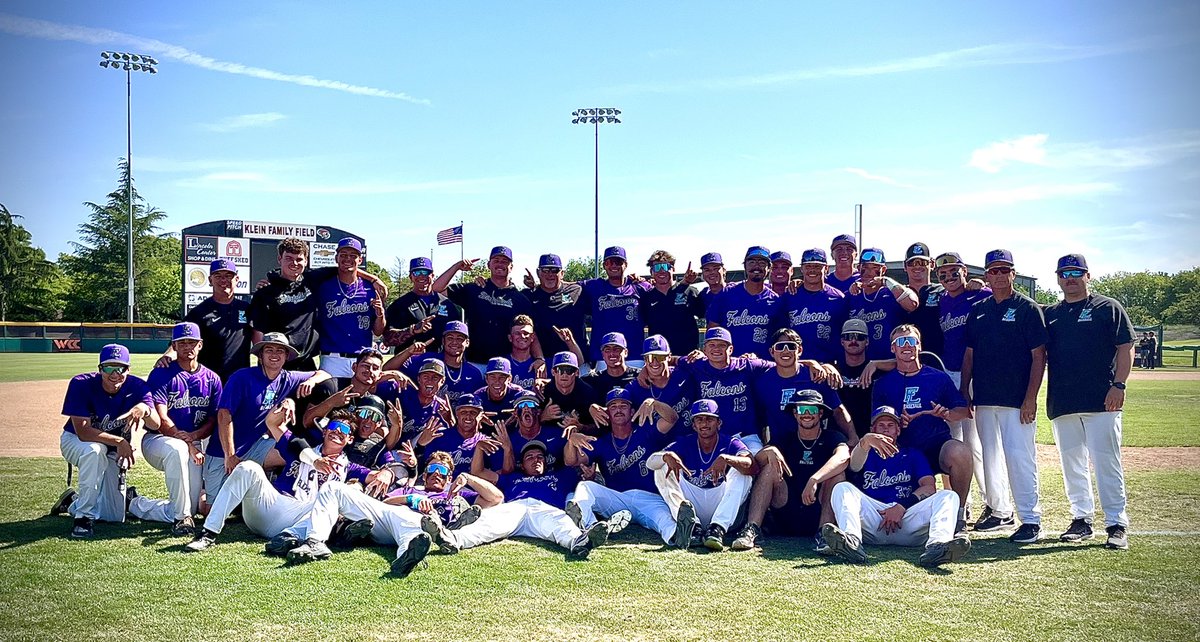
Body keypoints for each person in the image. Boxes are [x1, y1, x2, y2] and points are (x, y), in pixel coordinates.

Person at [184, 400, 395, 553]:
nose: (336, 432)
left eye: (343, 431)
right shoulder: (301, 448)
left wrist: (387, 472)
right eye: (333, 427)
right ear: (324, 431)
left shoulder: (349, 467)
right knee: (248, 467)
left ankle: (305, 539)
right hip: (271, 506)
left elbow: (375, 476)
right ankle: (208, 534)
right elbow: (273, 423)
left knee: (342, 494)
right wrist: (287, 403)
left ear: (350, 440)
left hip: (301, 518)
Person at [1044, 253, 1133, 550]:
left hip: (1102, 400)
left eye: (1076, 272)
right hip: (1064, 401)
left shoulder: (1108, 307)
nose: (1070, 278)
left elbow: (1125, 347)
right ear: (1058, 278)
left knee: (1107, 463)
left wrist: (1119, 385)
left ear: (1087, 275)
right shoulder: (1052, 314)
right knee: (1073, 465)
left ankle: (1116, 523)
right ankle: (1081, 519)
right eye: (1064, 273)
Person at [960, 249, 1047, 543]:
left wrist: (1031, 398)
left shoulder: (1027, 308)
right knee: (990, 457)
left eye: (1004, 270)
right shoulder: (980, 310)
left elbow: (1039, 356)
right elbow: (970, 354)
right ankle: (999, 511)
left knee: (1020, 457)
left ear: (1013, 273)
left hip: (1016, 399)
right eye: (993, 271)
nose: (998, 275)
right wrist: (965, 389)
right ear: (986, 275)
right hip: (985, 396)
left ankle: (1031, 519)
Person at [425, 440, 632, 559]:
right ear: (521, 465)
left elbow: (583, 465)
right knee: (487, 524)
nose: (536, 460)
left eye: (540, 457)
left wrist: (590, 474)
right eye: (530, 458)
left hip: (544, 509)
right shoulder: (511, 478)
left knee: (561, 524)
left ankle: (580, 542)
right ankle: (451, 540)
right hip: (514, 508)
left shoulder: (561, 474)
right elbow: (480, 472)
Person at [823, 406, 972, 567]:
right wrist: (865, 441)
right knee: (842, 488)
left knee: (949, 496)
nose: (886, 429)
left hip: (907, 518)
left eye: (890, 425)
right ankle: (851, 541)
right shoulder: (865, 454)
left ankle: (937, 547)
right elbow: (854, 465)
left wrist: (901, 507)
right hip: (875, 519)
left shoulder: (912, 454)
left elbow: (929, 487)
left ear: (898, 430)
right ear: (873, 429)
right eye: (881, 425)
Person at [204, 333, 331, 500]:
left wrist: (310, 383)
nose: (274, 354)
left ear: (286, 356)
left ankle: (283, 489)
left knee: (294, 453)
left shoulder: (288, 377)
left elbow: (324, 374)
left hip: (257, 446)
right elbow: (224, 415)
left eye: (280, 351)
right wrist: (230, 455)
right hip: (223, 451)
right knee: (210, 508)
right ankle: (202, 493)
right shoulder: (242, 378)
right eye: (269, 350)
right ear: (260, 356)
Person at [871, 325, 974, 529]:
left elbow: (963, 411)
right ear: (893, 349)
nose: (906, 346)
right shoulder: (883, 383)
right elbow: (876, 422)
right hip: (903, 451)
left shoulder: (938, 377)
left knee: (960, 452)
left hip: (935, 444)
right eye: (900, 342)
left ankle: (959, 513)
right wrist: (898, 423)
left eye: (911, 341)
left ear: (919, 345)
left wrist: (945, 413)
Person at [53, 344, 157, 538]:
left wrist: (145, 409)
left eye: (121, 368)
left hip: (112, 447)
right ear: (100, 368)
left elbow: (155, 423)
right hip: (77, 442)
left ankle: (72, 502)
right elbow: (83, 432)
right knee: (95, 450)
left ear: (128, 369)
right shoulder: (81, 384)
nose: (115, 374)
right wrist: (120, 442)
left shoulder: (137, 386)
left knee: (113, 516)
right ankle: (83, 518)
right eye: (109, 367)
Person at [733, 390, 849, 552]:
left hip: (819, 507)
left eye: (813, 410)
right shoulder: (784, 438)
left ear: (821, 413)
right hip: (786, 507)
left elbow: (843, 458)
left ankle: (825, 534)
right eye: (802, 410)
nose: (807, 414)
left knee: (838, 474)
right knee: (769, 467)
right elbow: (755, 465)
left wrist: (814, 479)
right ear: (795, 414)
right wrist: (768, 452)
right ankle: (752, 529)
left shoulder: (833, 437)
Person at [248, 237, 383, 371]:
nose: (294, 263)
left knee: (322, 390)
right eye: (288, 258)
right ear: (279, 259)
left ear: (306, 261)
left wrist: (374, 279)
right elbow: (258, 329)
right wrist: (263, 361)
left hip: (305, 361)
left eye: (299, 259)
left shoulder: (312, 279)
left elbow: (346, 267)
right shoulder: (265, 292)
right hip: (277, 361)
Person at [566, 388, 680, 544]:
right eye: (613, 406)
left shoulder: (645, 431)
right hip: (618, 499)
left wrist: (654, 403)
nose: (618, 409)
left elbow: (672, 418)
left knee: (664, 520)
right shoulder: (602, 442)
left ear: (632, 411)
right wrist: (571, 439)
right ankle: (591, 528)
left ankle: (678, 536)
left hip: (649, 498)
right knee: (586, 487)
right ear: (607, 413)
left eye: (623, 406)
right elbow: (571, 461)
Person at [141, 322, 222, 533]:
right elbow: (161, 417)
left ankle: (135, 504)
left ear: (200, 345)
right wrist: (187, 442)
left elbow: (213, 419)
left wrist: (194, 437)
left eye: (192, 342)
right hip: (158, 440)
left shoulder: (212, 379)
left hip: (193, 441)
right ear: (174, 346)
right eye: (182, 343)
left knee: (193, 506)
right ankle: (181, 519)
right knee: (178, 450)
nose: (188, 347)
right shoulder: (161, 374)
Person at [934, 252, 995, 527]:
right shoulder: (943, 299)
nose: (948, 277)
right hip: (948, 372)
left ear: (964, 271)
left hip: (973, 374)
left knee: (977, 443)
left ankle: (992, 502)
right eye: (942, 274)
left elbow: (1002, 295)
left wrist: (982, 284)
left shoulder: (980, 293)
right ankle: (960, 503)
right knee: (951, 441)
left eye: (953, 271)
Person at [648, 399, 755, 551]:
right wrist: (666, 456)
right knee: (661, 467)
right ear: (693, 425)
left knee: (742, 472)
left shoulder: (730, 442)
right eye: (699, 419)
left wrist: (727, 459)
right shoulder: (685, 442)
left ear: (719, 423)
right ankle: (692, 528)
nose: (704, 423)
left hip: (722, 507)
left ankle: (717, 529)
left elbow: (752, 466)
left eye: (709, 419)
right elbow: (650, 463)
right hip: (693, 505)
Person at [665, 327, 772, 450]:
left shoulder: (747, 365)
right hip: (712, 438)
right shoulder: (696, 364)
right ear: (704, 349)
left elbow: (782, 365)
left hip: (745, 436)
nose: (716, 349)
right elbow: (670, 359)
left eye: (722, 345)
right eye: (712, 345)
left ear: (731, 349)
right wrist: (645, 371)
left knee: (761, 460)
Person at [433, 246, 535, 369]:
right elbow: (436, 288)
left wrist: (539, 358)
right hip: (473, 362)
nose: (500, 264)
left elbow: (531, 333)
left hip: (505, 365)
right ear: (488, 265)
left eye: (504, 262)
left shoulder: (520, 299)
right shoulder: (474, 289)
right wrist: (456, 267)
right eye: (496, 260)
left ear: (511, 267)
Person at [165, 258, 251, 381]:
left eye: (228, 276)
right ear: (210, 280)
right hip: (208, 381)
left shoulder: (247, 309)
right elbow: (181, 340)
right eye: (218, 276)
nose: (223, 280)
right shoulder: (199, 312)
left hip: (239, 380)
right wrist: (167, 355)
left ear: (236, 279)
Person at [314, 238, 386, 379]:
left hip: (363, 359)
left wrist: (380, 315)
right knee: (330, 397)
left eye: (353, 256)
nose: (348, 259)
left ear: (360, 260)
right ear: (336, 258)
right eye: (343, 255)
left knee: (363, 401)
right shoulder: (323, 286)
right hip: (332, 358)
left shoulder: (371, 289)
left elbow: (378, 331)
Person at [705, 246, 781, 359]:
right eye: (752, 262)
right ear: (745, 266)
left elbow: (779, 337)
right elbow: (712, 330)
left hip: (763, 364)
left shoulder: (775, 300)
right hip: (730, 364)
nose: (756, 266)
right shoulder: (726, 294)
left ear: (769, 268)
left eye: (762, 263)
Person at [580, 246, 651, 366]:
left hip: (634, 354)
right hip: (604, 355)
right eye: (609, 262)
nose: (614, 265)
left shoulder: (639, 286)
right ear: (604, 265)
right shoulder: (595, 286)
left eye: (618, 262)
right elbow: (565, 286)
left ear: (626, 264)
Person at [845, 248, 919, 361]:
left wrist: (886, 281)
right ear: (858, 268)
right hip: (861, 362)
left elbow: (912, 304)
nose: (869, 273)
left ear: (883, 270)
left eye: (875, 268)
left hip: (891, 361)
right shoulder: (851, 296)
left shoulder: (892, 292)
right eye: (865, 268)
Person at [778, 248, 847, 364]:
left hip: (828, 363)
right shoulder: (789, 296)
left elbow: (843, 335)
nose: (812, 270)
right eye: (808, 266)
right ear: (802, 269)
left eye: (817, 266)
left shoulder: (838, 298)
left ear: (826, 269)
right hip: (796, 363)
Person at [383, 257, 463, 354]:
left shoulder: (446, 304)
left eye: (425, 272)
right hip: (408, 363)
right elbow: (387, 340)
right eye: (416, 273)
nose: (421, 276)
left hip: (439, 363)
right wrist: (412, 330)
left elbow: (459, 336)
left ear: (432, 275)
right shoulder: (399, 305)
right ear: (410, 277)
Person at [393, 321, 485, 404]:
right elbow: (387, 368)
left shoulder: (474, 373)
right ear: (443, 341)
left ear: (467, 342)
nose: (454, 342)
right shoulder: (427, 360)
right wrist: (408, 352)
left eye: (460, 339)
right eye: (450, 338)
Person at [523, 253, 589, 361]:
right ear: (538, 273)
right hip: (543, 362)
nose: (550, 274)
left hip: (577, 360)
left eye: (555, 270)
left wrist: (627, 282)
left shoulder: (577, 290)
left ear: (562, 273)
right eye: (545, 270)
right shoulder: (528, 295)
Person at [639, 250, 705, 356]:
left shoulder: (689, 291)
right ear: (651, 272)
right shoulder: (646, 299)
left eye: (665, 267)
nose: (661, 271)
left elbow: (709, 317)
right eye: (656, 268)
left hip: (688, 356)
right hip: (659, 357)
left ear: (673, 269)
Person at [832, 319, 876, 439]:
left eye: (859, 337)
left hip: (871, 434)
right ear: (842, 341)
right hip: (840, 437)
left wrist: (877, 364)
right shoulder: (833, 369)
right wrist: (825, 366)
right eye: (848, 337)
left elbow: (901, 364)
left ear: (867, 341)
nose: (853, 341)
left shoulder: (876, 369)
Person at [901, 242, 945, 358]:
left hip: (938, 359)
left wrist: (976, 284)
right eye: (912, 263)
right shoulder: (898, 293)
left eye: (922, 262)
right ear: (905, 266)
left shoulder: (943, 291)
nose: (917, 266)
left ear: (932, 264)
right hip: (904, 359)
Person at [540, 352, 596, 431]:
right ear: (553, 372)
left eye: (569, 370)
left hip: (578, 437)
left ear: (577, 373)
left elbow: (599, 427)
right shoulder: (543, 391)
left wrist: (580, 427)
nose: (564, 374)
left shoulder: (588, 393)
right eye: (560, 370)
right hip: (549, 436)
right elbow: (528, 425)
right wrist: (543, 416)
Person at [582, 332, 641, 405]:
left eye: (616, 349)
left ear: (625, 352)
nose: (612, 354)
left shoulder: (639, 377)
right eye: (607, 350)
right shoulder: (593, 380)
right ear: (602, 354)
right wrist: (590, 407)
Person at [504, 314, 544, 391]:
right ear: (510, 337)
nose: (522, 336)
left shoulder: (541, 366)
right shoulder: (503, 364)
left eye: (526, 333)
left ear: (532, 337)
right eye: (517, 333)